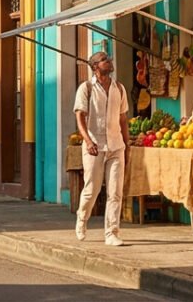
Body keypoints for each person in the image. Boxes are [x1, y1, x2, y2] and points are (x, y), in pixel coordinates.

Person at [74, 51, 130, 246]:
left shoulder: (119, 88)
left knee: (115, 192)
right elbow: (80, 117)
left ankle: (112, 233)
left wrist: (127, 145)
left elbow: (123, 119)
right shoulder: (86, 88)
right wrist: (88, 141)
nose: (109, 61)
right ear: (95, 67)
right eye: (104, 60)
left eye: (109, 58)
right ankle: (82, 218)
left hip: (116, 146)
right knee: (92, 189)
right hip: (94, 147)